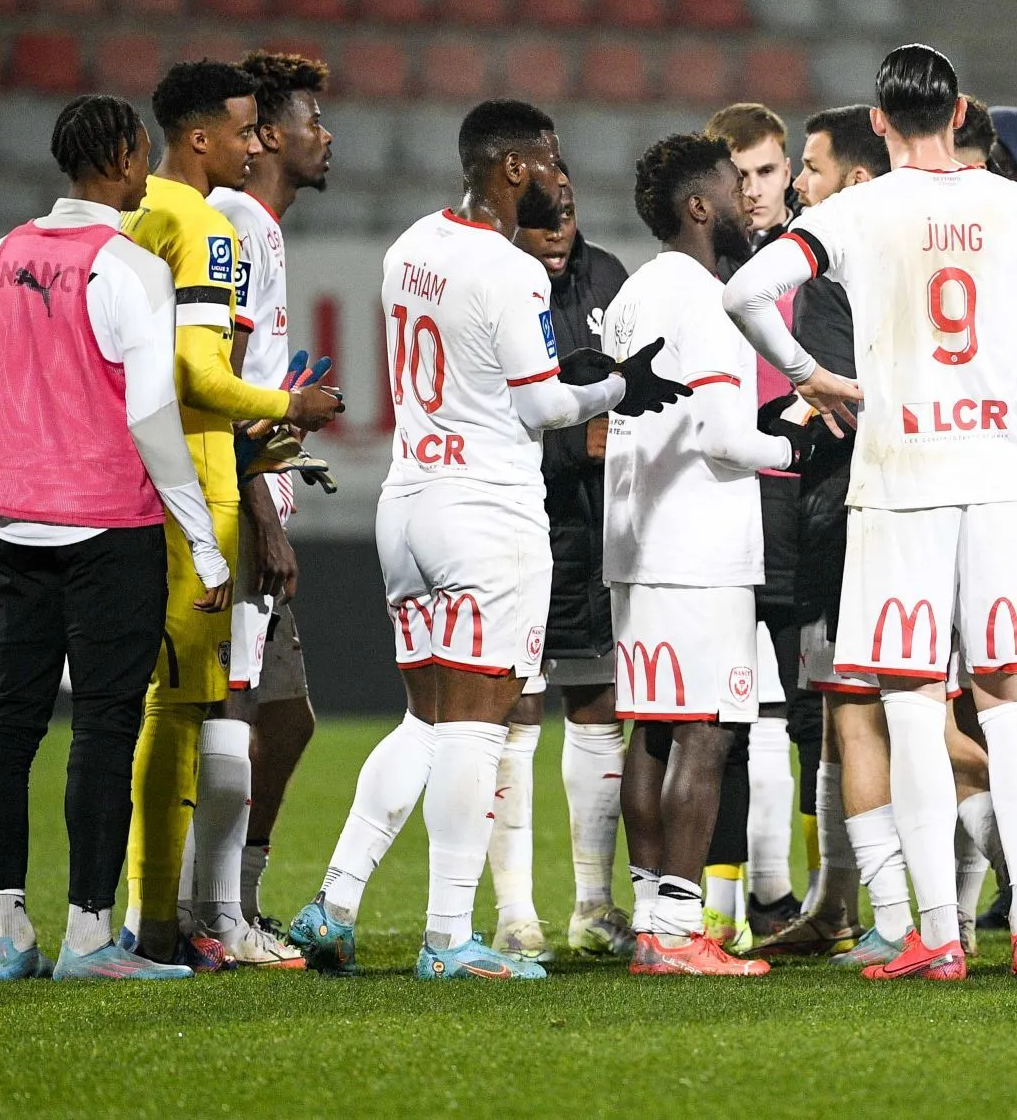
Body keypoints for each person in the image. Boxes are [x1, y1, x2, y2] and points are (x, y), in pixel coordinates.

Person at [724, 43, 1017, 980]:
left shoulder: (854, 208)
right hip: (996, 477)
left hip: (898, 475)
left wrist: (808, 376)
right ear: (957, 116)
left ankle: (939, 937)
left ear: (877, 124)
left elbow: (743, 291)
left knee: (911, 708)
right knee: (1006, 702)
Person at [285, 101, 687, 981]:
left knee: (425, 718)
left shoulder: (409, 249)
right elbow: (542, 407)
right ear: (513, 168)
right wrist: (618, 387)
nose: (557, 177)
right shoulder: (512, 273)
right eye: (548, 162)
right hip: (487, 514)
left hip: (408, 502)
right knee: (478, 726)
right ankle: (446, 938)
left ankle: (335, 903)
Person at [0, 96, 225, 982]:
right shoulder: (129, 268)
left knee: (9, 724)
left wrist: (14, 480)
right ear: (118, 158)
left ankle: (9, 933)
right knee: (106, 725)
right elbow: (153, 419)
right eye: (142, 157)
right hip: (107, 523)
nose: (147, 172)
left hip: (15, 518)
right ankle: (87, 937)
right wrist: (204, 537)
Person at [121, 60, 344, 966]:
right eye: (300, 123)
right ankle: (208, 912)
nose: (318, 135)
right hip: (228, 495)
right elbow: (219, 382)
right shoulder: (235, 227)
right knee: (228, 706)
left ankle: (219, 900)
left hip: (241, 483)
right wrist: (261, 507)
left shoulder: (240, 222)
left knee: (276, 712)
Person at [610, 135, 801, 976]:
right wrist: (793, 447)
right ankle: (683, 933)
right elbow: (724, 435)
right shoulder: (707, 297)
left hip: (639, 540)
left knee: (651, 733)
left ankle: (655, 916)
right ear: (698, 206)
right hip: (699, 547)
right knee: (707, 737)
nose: (746, 202)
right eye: (732, 187)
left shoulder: (634, 292)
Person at [751, 105, 912, 963]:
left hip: (849, 509)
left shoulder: (832, 267)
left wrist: (796, 399)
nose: (797, 185)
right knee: (843, 705)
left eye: (807, 168)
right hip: (914, 502)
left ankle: (898, 917)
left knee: (863, 710)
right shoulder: (920, 248)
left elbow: (833, 403)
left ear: (853, 178)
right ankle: (835, 903)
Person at [497, 164, 636, 960]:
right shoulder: (495, 280)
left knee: (595, 705)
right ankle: (515, 912)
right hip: (515, 522)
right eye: (543, 215)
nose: (558, 229)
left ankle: (592, 904)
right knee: (512, 710)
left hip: (585, 530)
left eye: (569, 214)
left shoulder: (607, 278)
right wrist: (568, 441)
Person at [706, 102, 806, 943]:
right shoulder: (693, 272)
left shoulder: (818, 264)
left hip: (804, 498)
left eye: (768, 171)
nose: (754, 190)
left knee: (811, 706)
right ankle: (740, 900)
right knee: (730, 710)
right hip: (724, 497)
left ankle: (815, 897)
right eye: (738, 175)